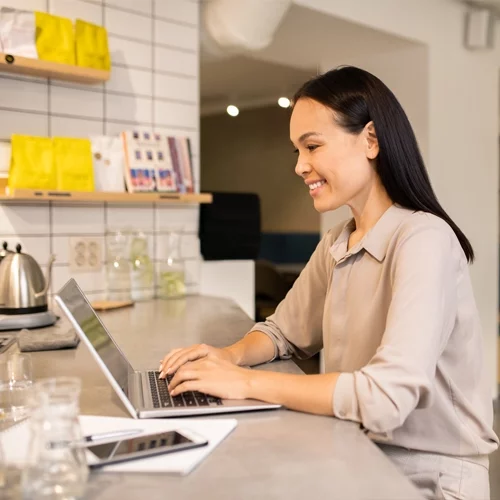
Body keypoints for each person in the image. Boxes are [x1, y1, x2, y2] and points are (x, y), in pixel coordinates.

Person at [159, 66, 499, 500]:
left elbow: (385, 397)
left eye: (312, 146)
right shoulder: (339, 240)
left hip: (430, 478)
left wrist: (244, 384)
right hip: (359, 454)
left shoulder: (424, 239)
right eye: (297, 150)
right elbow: (284, 333)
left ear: (371, 140)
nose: (300, 166)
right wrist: (229, 356)